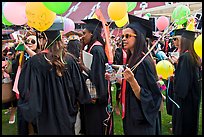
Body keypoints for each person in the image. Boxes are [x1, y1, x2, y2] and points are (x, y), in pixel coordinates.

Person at [17, 21, 92, 135]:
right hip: (66, 116)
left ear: (43, 39)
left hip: (45, 118)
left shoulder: (34, 63)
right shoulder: (70, 60)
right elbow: (80, 91)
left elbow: (26, 92)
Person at [120, 14, 162, 135]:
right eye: (123, 36)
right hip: (132, 115)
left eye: (127, 36)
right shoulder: (133, 59)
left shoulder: (143, 62)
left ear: (138, 38)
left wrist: (132, 81)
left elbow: (148, 97)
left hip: (141, 120)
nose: (123, 39)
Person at [78, 18, 113, 135]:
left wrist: (83, 67)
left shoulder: (96, 49)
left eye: (84, 33)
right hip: (93, 93)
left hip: (96, 96)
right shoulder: (93, 47)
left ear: (92, 33)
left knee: (95, 124)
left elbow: (97, 75)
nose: (83, 36)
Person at [172, 29, 202, 135]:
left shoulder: (185, 57)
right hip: (193, 97)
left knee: (183, 126)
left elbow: (182, 84)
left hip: (185, 100)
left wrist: (174, 80)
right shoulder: (194, 56)